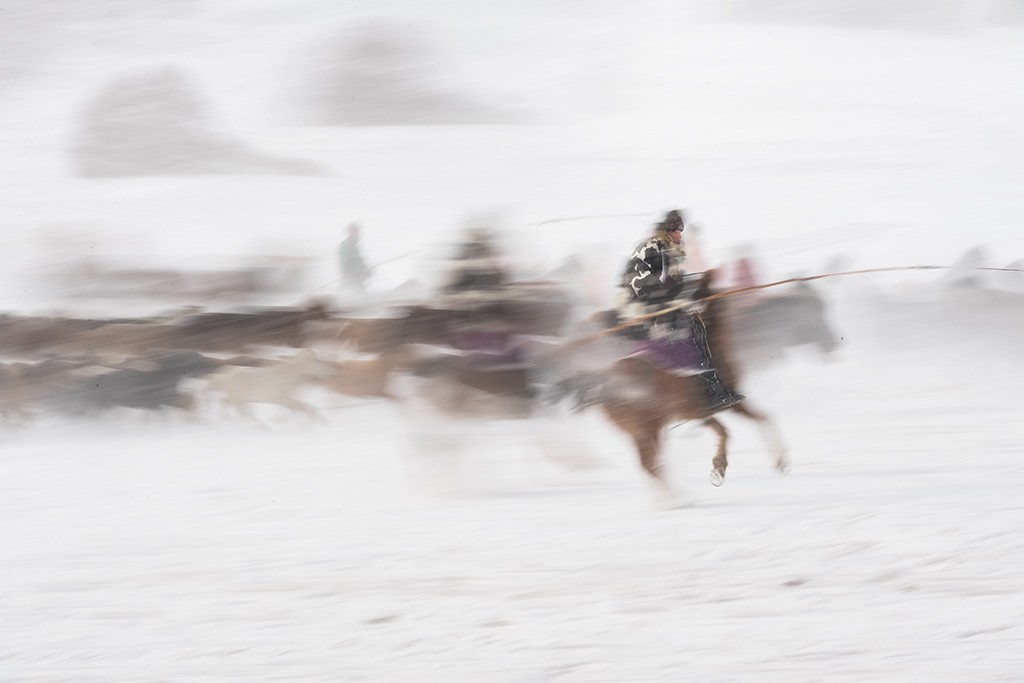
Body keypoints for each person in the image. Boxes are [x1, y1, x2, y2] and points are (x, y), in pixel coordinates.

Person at [616, 209, 744, 411]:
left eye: (680, 230)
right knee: (691, 328)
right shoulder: (652, 248)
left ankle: (712, 384)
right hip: (641, 303)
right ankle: (709, 390)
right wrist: (680, 300)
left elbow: (675, 281)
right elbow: (645, 284)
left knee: (699, 321)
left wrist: (691, 291)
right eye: (675, 230)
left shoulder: (673, 249)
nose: (679, 234)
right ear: (666, 230)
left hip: (660, 300)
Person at [339, 222, 371, 295]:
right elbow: (349, 262)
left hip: (355, 278)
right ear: (351, 232)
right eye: (356, 231)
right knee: (353, 295)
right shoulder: (347, 245)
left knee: (355, 293)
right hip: (353, 278)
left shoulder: (352, 244)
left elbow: (358, 261)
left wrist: (366, 270)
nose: (358, 234)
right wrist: (360, 273)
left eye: (358, 231)